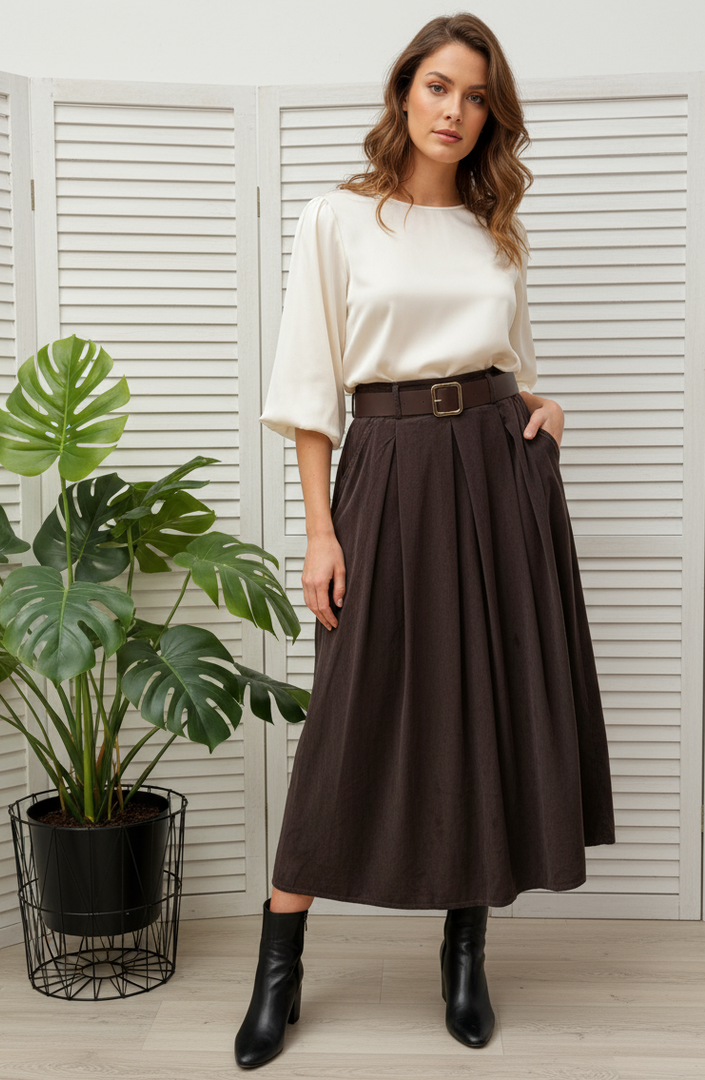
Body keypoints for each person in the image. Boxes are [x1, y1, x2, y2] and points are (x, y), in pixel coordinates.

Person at [234, 11, 616, 1069]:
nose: (456, 111)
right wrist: (319, 532)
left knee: (482, 704)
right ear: (405, 90)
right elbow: (313, 394)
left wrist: (545, 413)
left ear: (493, 112)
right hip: (389, 471)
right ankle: (280, 965)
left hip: (499, 475)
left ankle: (465, 953)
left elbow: (512, 355)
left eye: (478, 94)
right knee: (354, 711)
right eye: (440, 86)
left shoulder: (496, 224)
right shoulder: (338, 219)